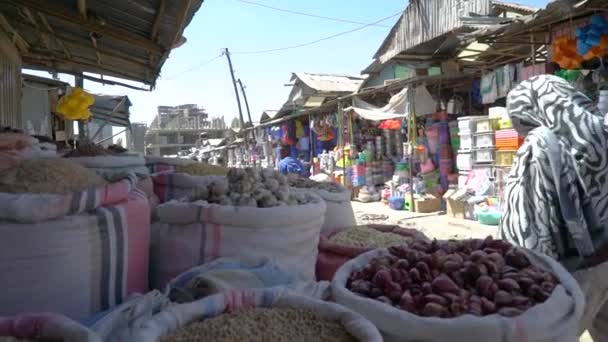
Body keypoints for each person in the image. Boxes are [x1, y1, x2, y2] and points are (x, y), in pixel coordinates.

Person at [500, 75, 608, 340]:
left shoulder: (539, 145)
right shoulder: (601, 131)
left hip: (575, 270)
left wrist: (523, 277)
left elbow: (527, 222)